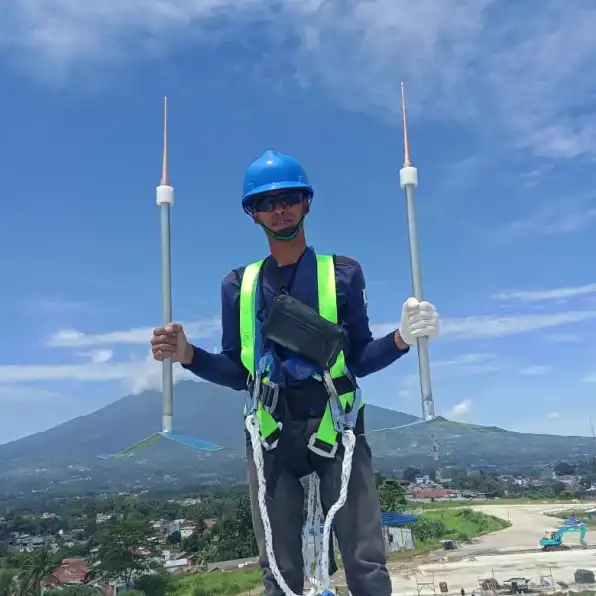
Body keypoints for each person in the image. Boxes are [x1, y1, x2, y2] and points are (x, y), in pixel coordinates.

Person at [151, 150, 439, 596]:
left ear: (307, 203)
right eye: (266, 202)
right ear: (253, 215)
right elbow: (238, 370)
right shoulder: (238, 286)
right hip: (269, 430)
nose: (279, 209)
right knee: (279, 570)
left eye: (289, 197)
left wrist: (402, 338)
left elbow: (359, 358)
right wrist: (189, 354)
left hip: (336, 424)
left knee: (365, 558)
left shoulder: (341, 274)